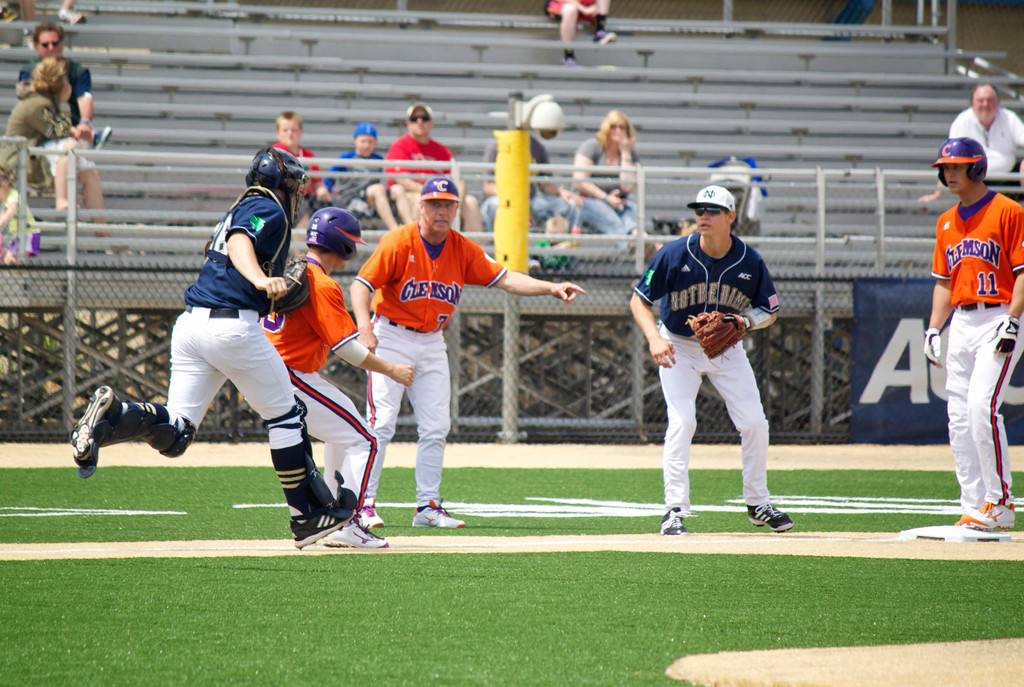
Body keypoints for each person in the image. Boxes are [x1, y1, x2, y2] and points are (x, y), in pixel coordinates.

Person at [68, 147, 356, 549]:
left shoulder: (238, 206)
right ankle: (306, 517)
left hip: (191, 325)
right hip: (232, 327)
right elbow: (240, 242)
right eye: (295, 183)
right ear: (283, 182)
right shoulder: (268, 207)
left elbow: (218, 246)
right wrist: (260, 280)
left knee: (178, 432)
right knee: (287, 417)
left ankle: (115, 415)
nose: (297, 191)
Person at [350, 176, 585, 529]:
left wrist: (550, 287)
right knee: (381, 423)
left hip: (431, 341)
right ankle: (363, 505)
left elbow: (505, 278)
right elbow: (361, 285)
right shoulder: (399, 241)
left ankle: (427, 506)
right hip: (392, 336)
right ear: (421, 206)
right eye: (434, 203)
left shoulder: (462, 248)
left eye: (448, 204)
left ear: (457, 209)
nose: (441, 210)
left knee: (436, 427)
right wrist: (364, 327)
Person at [630, 184, 792, 536]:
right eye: (699, 209)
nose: (703, 215)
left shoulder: (749, 260)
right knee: (683, 421)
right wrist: (654, 338)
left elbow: (771, 311)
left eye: (712, 210)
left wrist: (746, 321)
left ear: (731, 216)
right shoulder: (675, 253)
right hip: (678, 344)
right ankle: (674, 509)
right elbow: (638, 299)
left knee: (753, 422)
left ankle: (758, 503)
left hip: (727, 349)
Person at [261, 207, 415, 549]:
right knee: (368, 441)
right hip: (291, 376)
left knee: (344, 433)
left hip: (267, 371)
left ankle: (332, 514)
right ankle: (351, 522)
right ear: (344, 245)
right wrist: (391, 369)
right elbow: (347, 349)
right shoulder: (322, 282)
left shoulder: (290, 269)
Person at [922, 137, 1024, 532]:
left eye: (956, 166)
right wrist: (934, 326)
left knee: (983, 407)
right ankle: (972, 504)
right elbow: (945, 282)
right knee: (959, 417)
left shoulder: (1008, 211)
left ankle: (1000, 502)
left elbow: (1021, 273)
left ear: (977, 168)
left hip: (999, 314)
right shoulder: (946, 221)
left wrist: (1013, 319)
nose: (948, 173)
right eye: (945, 167)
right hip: (961, 322)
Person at [2, 56, 105, 221]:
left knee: (89, 170)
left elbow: (56, 129)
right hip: (19, 162)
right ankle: (61, 200)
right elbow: (56, 131)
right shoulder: (35, 103)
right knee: (70, 146)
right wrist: (64, 104)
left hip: (35, 155)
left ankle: (102, 233)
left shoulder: (43, 101)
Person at [384, 101, 482, 231]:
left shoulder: (441, 150)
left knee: (471, 202)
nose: (420, 122)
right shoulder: (399, 146)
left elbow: (458, 177)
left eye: (424, 118)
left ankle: (475, 249)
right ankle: (419, 245)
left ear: (431, 123)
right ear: (408, 123)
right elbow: (400, 179)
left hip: (441, 195)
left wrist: (459, 196)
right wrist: (428, 192)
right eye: (414, 119)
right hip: (413, 194)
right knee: (421, 202)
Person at [918, 85, 1024, 204]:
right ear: (972, 103)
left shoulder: (1009, 118)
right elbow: (949, 160)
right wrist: (937, 194)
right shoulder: (962, 122)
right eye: (981, 100)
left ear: (998, 101)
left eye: (990, 100)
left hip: (1009, 180)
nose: (985, 104)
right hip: (976, 181)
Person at [18, 23, 112, 150]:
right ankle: (92, 137)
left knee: (79, 151)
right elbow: (33, 109)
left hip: (68, 129)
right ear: (36, 46)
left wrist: (84, 123)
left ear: (62, 43)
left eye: (55, 43)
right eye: (45, 45)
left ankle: (87, 136)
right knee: (72, 147)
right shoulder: (29, 71)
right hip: (39, 132)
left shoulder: (76, 70)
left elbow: (85, 99)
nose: (51, 48)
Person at [479, 127, 582, 234]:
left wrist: (560, 192)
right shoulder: (497, 144)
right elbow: (488, 186)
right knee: (495, 205)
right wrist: (516, 198)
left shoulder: (536, 146)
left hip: (532, 201)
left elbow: (545, 184)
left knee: (571, 204)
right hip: (503, 199)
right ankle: (494, 244)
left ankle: (569, 245)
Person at [573, 109, 639, 236]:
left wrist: (625, 152)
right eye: (613, 127)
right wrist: (606, 198)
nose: (618, 131)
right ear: (606, 128)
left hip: (617, 202)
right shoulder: (593, 146)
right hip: (588, 201)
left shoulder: (630, 153)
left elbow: (628, 186)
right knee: (612, 220)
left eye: (622, 127)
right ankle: (630, 245)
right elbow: (579, 181)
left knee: (632, 209)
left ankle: (638, 237)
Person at [325, 121, 400, 231]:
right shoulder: (347, 157)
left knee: (398, 189)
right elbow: (330, 176)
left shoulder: (378, 159)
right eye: (363, 141)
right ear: (355, 140)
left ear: (375, 142)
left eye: (370, 142)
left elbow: (386, 180)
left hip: (372, 199)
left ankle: (411, 229)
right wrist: (326, 190)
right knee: (378, 189)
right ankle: (395, 230)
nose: (366, 145)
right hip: (352, 199)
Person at [272, 111, 332, 228]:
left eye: (294, 130)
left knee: (329, 207)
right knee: (302, 209)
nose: (290, 134)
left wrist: (323, 191)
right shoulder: (275, 153)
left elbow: (318, 183)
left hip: (307, 198)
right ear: (278, 133)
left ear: (300, 132)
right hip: (284, 198)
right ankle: (298, 246)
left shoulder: (308, 155)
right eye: (285, 130)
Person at [544, 0, 617, 67]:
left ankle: (600, 31)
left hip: (583, 8)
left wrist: (593, 8)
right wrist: (583, 9)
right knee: (570, 9)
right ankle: (568, 56)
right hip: (562, 5)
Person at [0, 164, 37, 265]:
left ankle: (21, 278)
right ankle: (19, 277)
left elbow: (9, 213)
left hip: (28, 234)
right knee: (10, 261)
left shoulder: (13, 196)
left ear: (4, 185)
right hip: (20, 235)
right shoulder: (7, 199)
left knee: (14, 260)